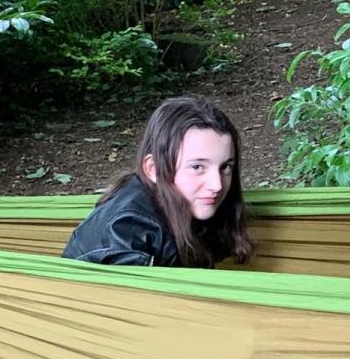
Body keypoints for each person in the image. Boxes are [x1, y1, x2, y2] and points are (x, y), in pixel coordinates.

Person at [62, 96, 251, 268]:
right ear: (153, 169)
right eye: (197, 167)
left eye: (225, 167)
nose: (217, 185)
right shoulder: (126, 234)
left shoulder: (185, 203)